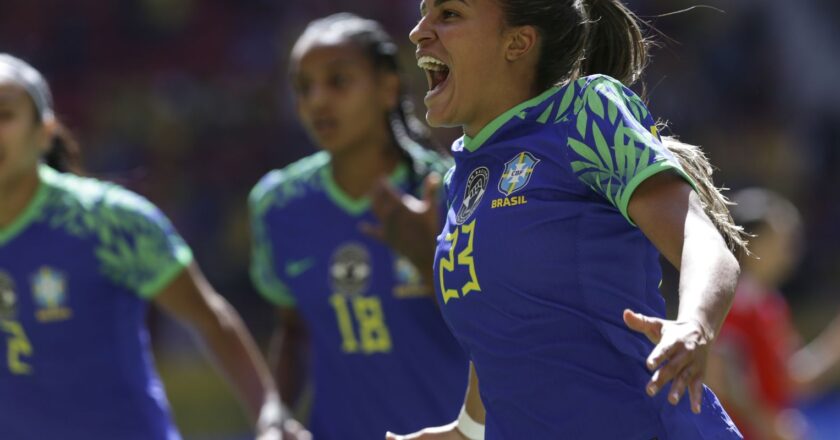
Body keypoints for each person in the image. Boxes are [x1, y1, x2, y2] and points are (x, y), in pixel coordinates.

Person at [385, 0, 750, 438]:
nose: (418, 31)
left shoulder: (584, 113)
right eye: (424, 12)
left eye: (449, 14)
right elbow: (501, 331)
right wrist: (464, 431)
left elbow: (704, 243)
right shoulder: (460, 177)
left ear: (517, 42)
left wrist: (695, 324)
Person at [0, 53, 307, 440]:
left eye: (4, 115)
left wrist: (269, 416)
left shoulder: (107, 222)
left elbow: (211, 318)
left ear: (44, 132)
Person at [248, 13, 468, 440]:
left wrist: (429, 262)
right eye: (303, 87)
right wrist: (275, 413)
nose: (317, 101)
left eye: (338, 81)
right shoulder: (277, 205)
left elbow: (498, 336)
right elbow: (294, 331)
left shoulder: (453, 192)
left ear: (388, 88)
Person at [707, 188, 840, 440]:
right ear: (753, 242)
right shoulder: (734, 301)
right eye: (783, 240)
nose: (792, 251)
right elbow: (719, 372)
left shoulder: (768, 304)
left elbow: (791, 378)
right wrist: (770, 425)